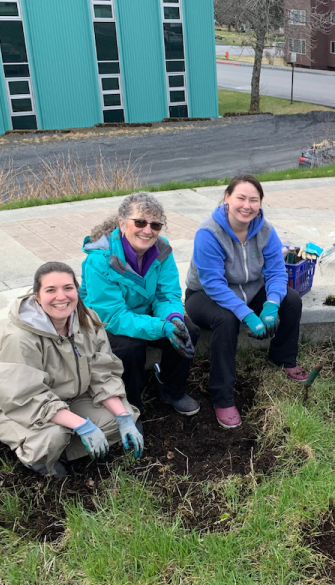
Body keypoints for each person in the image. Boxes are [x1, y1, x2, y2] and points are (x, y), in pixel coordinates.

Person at [0, 263, 143, 478]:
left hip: (71, 397)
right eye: (51, 290)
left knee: (122, 418)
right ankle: (40, 457)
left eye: (68, 288)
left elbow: (103, 373)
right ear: (37, 296)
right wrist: (82, 425)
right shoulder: (20, 338)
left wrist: (123, 417)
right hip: (17, 408)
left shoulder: (87, 319)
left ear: (76, 291)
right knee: (52, 438)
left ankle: (66, 449)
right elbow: (26, 397)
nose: (61, 296)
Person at [185, 174, 308, 429]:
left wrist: (271, 304)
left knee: (292, 300)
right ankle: (222, 395)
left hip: (250, 290)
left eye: (254, 200)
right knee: (226, 319)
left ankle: (283, 358)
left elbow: (275, 273)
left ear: (260, 204)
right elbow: (213, 284)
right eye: (241, 197)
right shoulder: (209, 233)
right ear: (227, 198)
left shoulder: (265, 231)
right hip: (205, 296)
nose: (247, 205)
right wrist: (249, 315)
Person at [80, 192, 200, 418]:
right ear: (122, 223)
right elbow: (113, 316)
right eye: (140, 222)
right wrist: (161, 327)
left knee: (188, 330)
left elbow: (166, 294)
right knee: (129, 349)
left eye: (155, 225)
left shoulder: (162, 250)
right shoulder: (100, 259)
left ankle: (172, 390)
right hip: (107, 322)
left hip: (145, 315)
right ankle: (131, 406)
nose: (148, 230)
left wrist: (173, 318)